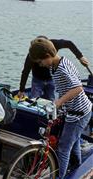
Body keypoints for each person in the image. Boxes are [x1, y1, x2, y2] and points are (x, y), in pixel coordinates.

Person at [29, 38, 92, 178]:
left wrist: (59, 102)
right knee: (73, 141)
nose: (40, 65)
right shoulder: (53, 66)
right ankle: (76, 167)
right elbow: (64, 88)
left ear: (47, 56)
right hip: (71, 111)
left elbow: (77, 88)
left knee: (63, 148)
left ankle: (59, 177)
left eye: (40, 61)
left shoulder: (63, 68)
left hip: (80, 113)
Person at [18, 36, 89, 101]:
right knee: (35, 100)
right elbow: (25, 72)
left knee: (51, 99)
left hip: (51, 78)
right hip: (37, 80)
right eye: (38, 62)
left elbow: (69, 43)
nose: (41, 64)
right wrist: (21, 90)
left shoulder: (53, 45)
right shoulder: (33, 55)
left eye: (40, 61)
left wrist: (80, 57)